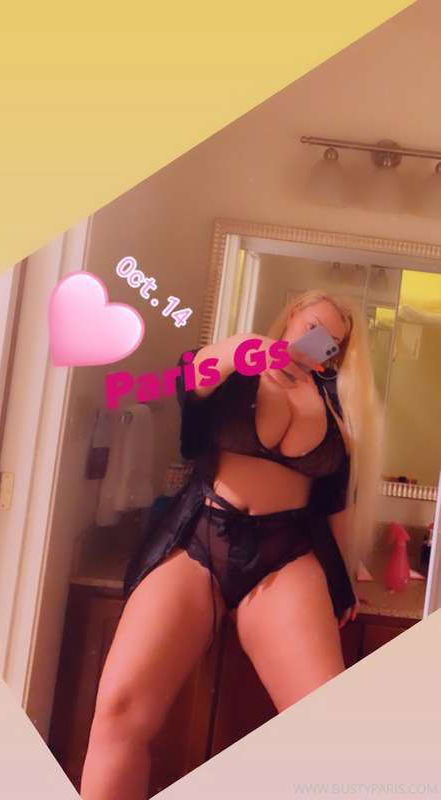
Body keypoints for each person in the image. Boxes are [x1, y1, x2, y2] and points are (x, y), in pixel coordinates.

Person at [80, 289, 382, 800]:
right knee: (118, 713)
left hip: (285, 555)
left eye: (332, 342)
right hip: (200, 537)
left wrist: (343, 580)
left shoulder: (335, 405)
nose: (318, 344)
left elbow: (336, 503)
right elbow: (189, 379)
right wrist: (243, 349)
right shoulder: (237, 368)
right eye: (313, 328)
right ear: (292, 316)